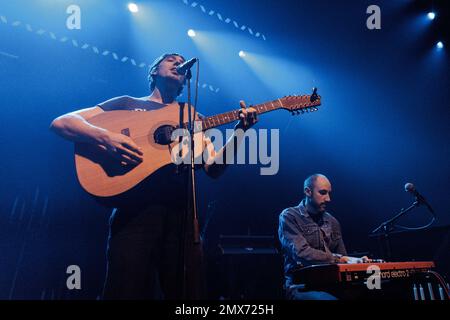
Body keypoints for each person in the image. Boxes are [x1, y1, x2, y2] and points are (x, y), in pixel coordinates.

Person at [50, 53, 258, 299]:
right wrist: (106, 138)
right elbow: (62, 123)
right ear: (154, 72)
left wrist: (240, 133)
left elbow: (214, 169)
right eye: (170, 59)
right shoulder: (126, 104)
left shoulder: (192, 116)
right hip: (134, 218)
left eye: (181, 62)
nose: (177, 62)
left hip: (182, 221)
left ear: (185, 81)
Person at [278, 174, 369, 300]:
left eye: (329, 193)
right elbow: (301, 253)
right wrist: (341, 259)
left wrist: (357, 262)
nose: (328, 199)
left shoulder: (332, 221)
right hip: (301, 286)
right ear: (308, 192)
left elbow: (343, 257)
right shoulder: (289, 216)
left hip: (330, 283)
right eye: (323, 193)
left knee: (373, 292)